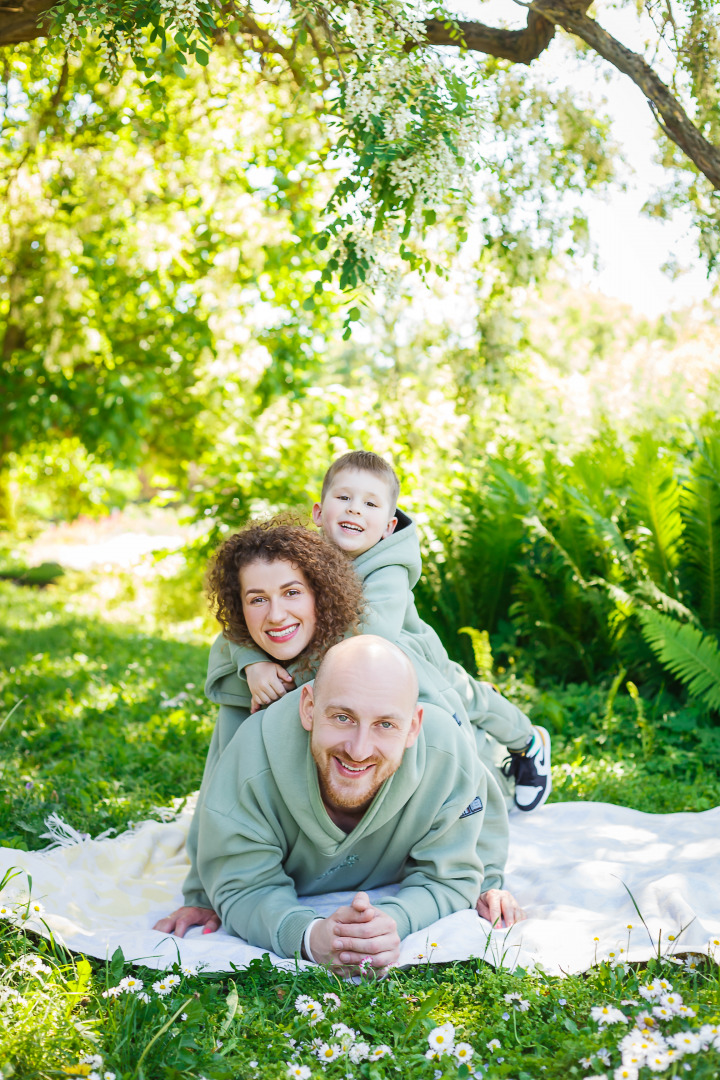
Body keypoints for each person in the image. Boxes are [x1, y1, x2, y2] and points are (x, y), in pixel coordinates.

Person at [236, 451, 552, 813]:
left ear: (388, 527)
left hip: (414, 657)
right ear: (319, 513)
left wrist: (299, 670)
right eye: (344, 498)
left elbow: (372, 635)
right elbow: (246, 617)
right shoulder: (303, 559)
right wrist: (252, 663)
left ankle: (527, 742)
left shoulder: (390, 568)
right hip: (369, 664)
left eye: (370, 503)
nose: (355, 509)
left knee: (466, 701)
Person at [192, 636, 524, 972]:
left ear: (413, 727)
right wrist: (309, 937)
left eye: (385, 724)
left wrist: (393, 922)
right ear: (309, 707)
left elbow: (451, 875)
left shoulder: (448, 755)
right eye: (342, 718)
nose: (359, 749)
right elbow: (242, 884)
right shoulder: (251, 758)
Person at [154, 520, 365, 937]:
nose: (276, 615)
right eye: (257, 600)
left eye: (291, 592)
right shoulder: (246, 683)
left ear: (319, 594)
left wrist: (484, 876)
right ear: (239, 609)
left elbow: (446, 754)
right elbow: (219, 789)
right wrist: (201, 894)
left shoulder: (354, 657)